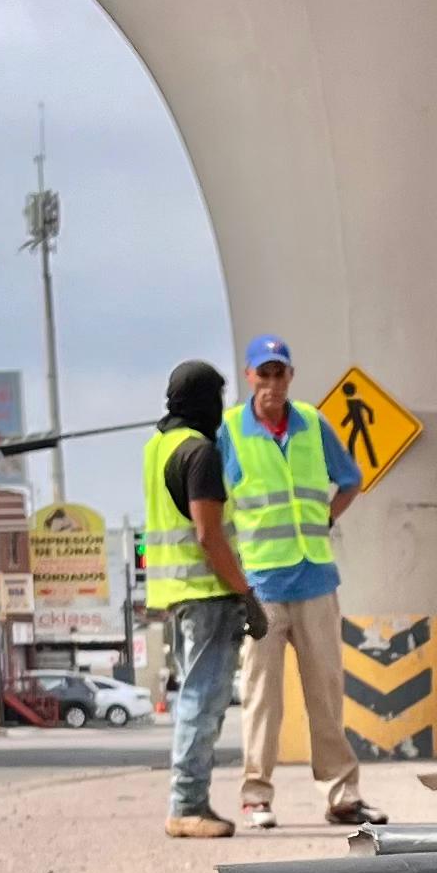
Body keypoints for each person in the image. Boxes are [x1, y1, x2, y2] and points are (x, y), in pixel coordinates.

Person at [222, 332, 383, 830]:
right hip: (263, 588)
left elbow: (351, 478)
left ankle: (342, 796)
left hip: (315, 581)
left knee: (326, 696)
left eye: (280, 373)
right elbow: (215, 502)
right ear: (249, 377)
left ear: (290, 376)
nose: (272, 383)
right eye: (263, 373)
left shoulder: (313, 424)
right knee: (261, 700)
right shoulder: (230, 430)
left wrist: (325, 520)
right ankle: (256, 796)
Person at [140, 357, 262, 839]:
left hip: (177, 594)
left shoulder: (157, 446)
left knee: (197, 696)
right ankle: (188, 804)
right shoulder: (200, 453)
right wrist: (245, 592)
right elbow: (210, 535)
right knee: (202, 700)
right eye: (218, 395)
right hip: (208, 595)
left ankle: (190, 801)